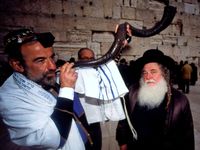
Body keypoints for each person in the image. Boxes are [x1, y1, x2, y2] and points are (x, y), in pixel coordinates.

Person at [0, 28, 85, 150]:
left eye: (52, 57)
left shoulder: (41, 78)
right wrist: (66, 89)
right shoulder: (9, 98)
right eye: (40, 61)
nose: (52, 66)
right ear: (17, 65)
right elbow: (53, 138)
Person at [116, 49, 194, 150]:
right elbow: (124, 120)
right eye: (145, 72)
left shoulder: (180, 101)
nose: (148, 76)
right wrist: (122, 143)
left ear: (164, 74)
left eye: (153, 71)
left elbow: (187, 136)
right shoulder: (132, 93)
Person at [77, 47, 102, 150]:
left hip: (95, 119)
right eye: (85, 58)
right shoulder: (73, 74)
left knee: (96, 145)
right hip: (80, 119)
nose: (89, 61)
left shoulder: (98, 73)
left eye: (91, 58)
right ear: (79, 59)